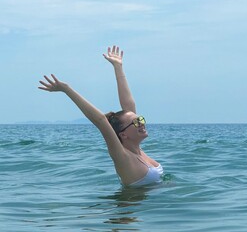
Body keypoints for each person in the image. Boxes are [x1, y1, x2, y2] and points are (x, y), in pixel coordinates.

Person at [38, 45, 163, 187]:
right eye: (136, 122)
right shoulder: (122, 156)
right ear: (123, 135)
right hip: (130, 208)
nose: (141, 123)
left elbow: (129, 107)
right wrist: (67, 90)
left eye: (140, 119)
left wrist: (118, 67)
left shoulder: (137, 150)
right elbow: (100, 121)